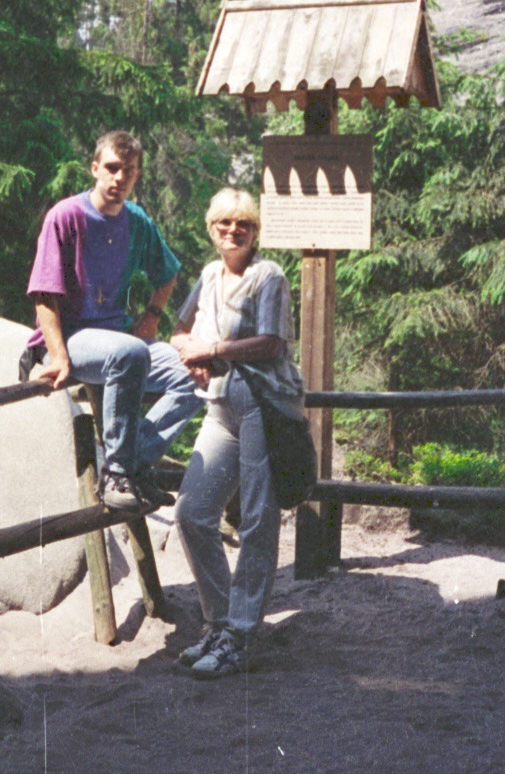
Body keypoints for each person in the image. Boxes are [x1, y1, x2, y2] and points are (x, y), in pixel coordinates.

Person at [20, 130, 198, 511]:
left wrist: (152, 316)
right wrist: (59, 358)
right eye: (113, 168)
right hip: (71, 336)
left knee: (192, 375)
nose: (119, 178)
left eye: (129, 171)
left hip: (118, 340)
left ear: (137, 176)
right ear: (95, 168)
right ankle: (117, 474)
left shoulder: (136, 221)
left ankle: (132, 460)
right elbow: (43, 295)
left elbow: (167, 273)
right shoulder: (65, 216)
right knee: (130, 353)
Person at [170, 188, 305, 679]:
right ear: (211, 229)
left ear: (255, 230)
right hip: (221, 408)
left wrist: (215, 349)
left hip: (263, 407)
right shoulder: (208, 276)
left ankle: (241, 634)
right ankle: (220, 620)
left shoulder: (268, 276)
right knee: (192, 512)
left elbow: (271, 343)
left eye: (243, 224)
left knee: (256, 520)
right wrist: (194, 354)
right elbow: (179, 331)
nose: (233, 231)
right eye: (224, 223)